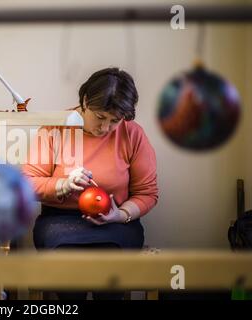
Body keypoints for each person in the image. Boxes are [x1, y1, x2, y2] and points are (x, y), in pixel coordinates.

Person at [21, 67, 159, 300]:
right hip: (59, 222)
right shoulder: (55, 129)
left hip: (118, 224)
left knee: (110, 271)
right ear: (85, 102)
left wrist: (120, 214)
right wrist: (62, 185)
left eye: (115, 121)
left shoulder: (132, 134)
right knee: (69, 270)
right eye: (100, 117)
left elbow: (147, 193)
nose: (105, 128)